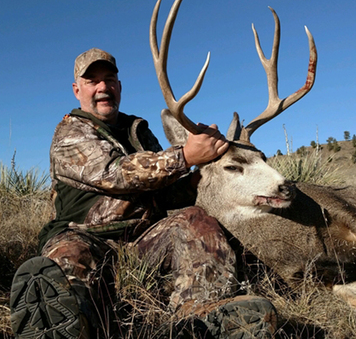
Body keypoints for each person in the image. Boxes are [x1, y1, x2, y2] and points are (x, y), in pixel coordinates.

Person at [10, 48, 277, 338]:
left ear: (119, 86)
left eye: (109, 79)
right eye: (92, 81)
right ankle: (67, 320)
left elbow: (162, 193)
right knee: (69, 263)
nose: (103, 88)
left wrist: (210, 170)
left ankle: (200, 315)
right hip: (84, 236)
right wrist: (186, 155)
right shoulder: (70, 133)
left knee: (195, 220)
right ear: (77, 90)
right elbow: (116, 173)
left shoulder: (138, 132)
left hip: (141, 242)